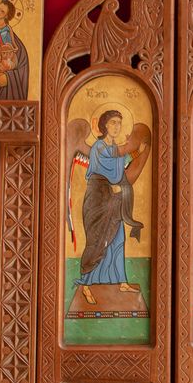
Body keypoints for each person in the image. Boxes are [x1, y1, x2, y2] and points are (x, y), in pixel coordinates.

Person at [76, 111, 144, 306]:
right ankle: (86, 285)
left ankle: (121, 281)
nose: (116, 127)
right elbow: (106, 167)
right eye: (113, 123)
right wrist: (137, 149)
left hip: (114, 200)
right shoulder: (100, 147)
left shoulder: (114, 147)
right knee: (98, 241)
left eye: (119, 123)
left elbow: (121, 168)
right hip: (98, 199)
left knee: (118, 240)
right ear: (105, 125)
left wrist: (138, 154)